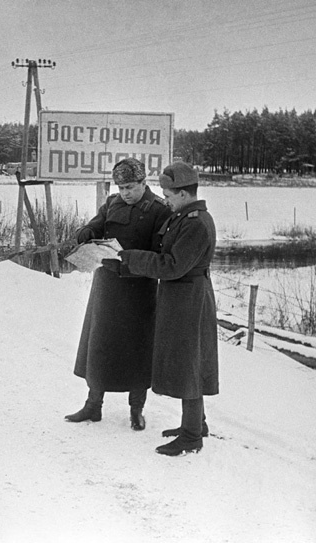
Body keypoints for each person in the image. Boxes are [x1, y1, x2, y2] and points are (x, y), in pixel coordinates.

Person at [107, 162, 218, 456]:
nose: (165, 199)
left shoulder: (194, 222)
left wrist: (131, 257)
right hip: (183, 296)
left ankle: (192, 436)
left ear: (183, 193)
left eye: (168, 194)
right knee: (189, 361)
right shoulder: (184, 216)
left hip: (189, 299)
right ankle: (197, 424)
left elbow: (172, 265)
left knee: (188, 365)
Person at [66, 157, 171, 431]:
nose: (125, 193)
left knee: (137, 351)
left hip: (139, 291)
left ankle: (136, 411)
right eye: (121, 187)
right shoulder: (112, 203)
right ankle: (93, 406)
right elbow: (96, 225)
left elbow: (161, 255)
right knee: (100, 346)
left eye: (130, 187)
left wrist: (131, 259)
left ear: (143, 183)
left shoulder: (160, 210)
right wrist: (86, 233)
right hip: (108, 287)